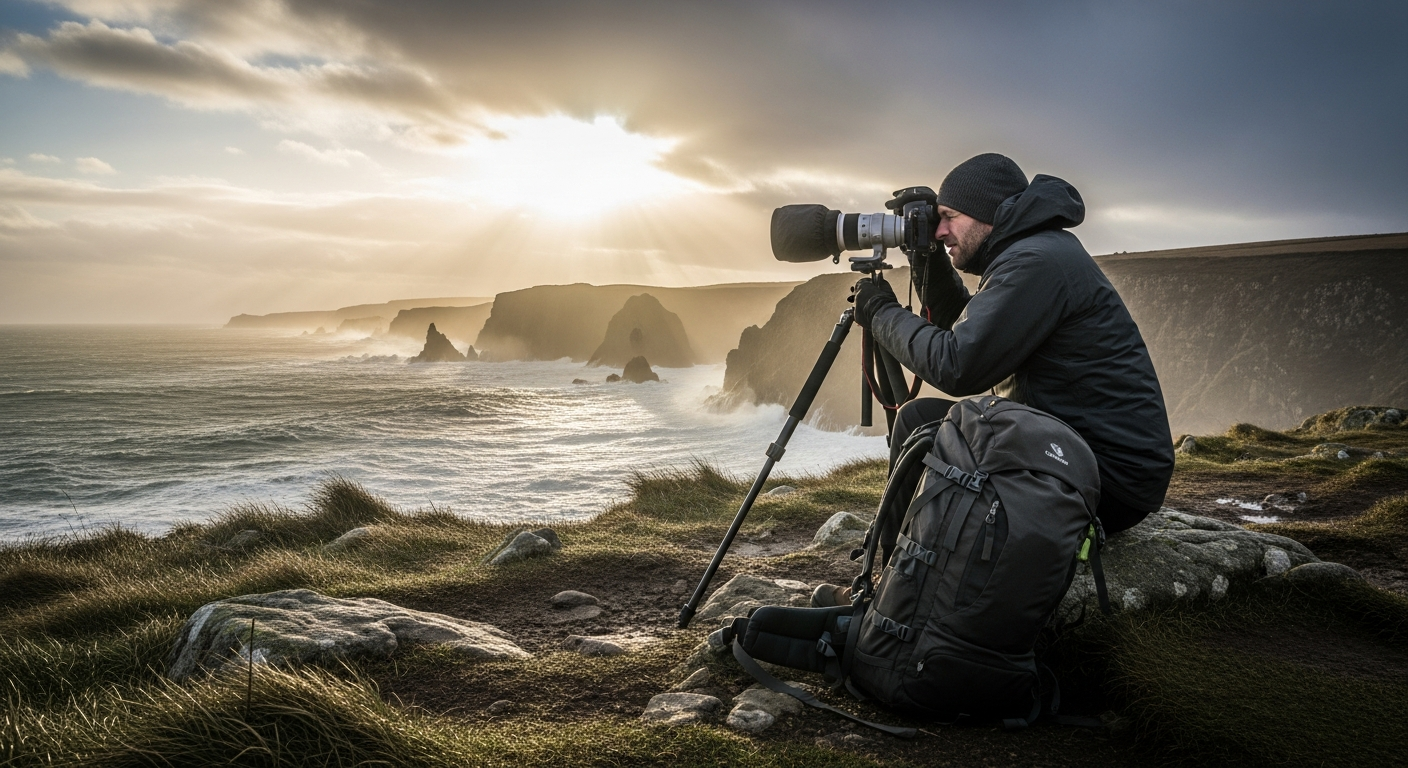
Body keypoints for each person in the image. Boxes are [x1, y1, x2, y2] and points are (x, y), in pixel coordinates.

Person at [814, 152, 1173, 609]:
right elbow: (963, 327)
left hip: (1107, 478)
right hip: (1082, 450)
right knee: (920, 418)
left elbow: (958, 365)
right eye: (937, 219)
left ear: (989, 213)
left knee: (921, 428)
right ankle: (893, 583)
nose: (942, 230)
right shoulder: (1034, 250)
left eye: (949, 218)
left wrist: (882, 314)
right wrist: (927, 257)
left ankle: (892, 595)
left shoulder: (1034, 262)